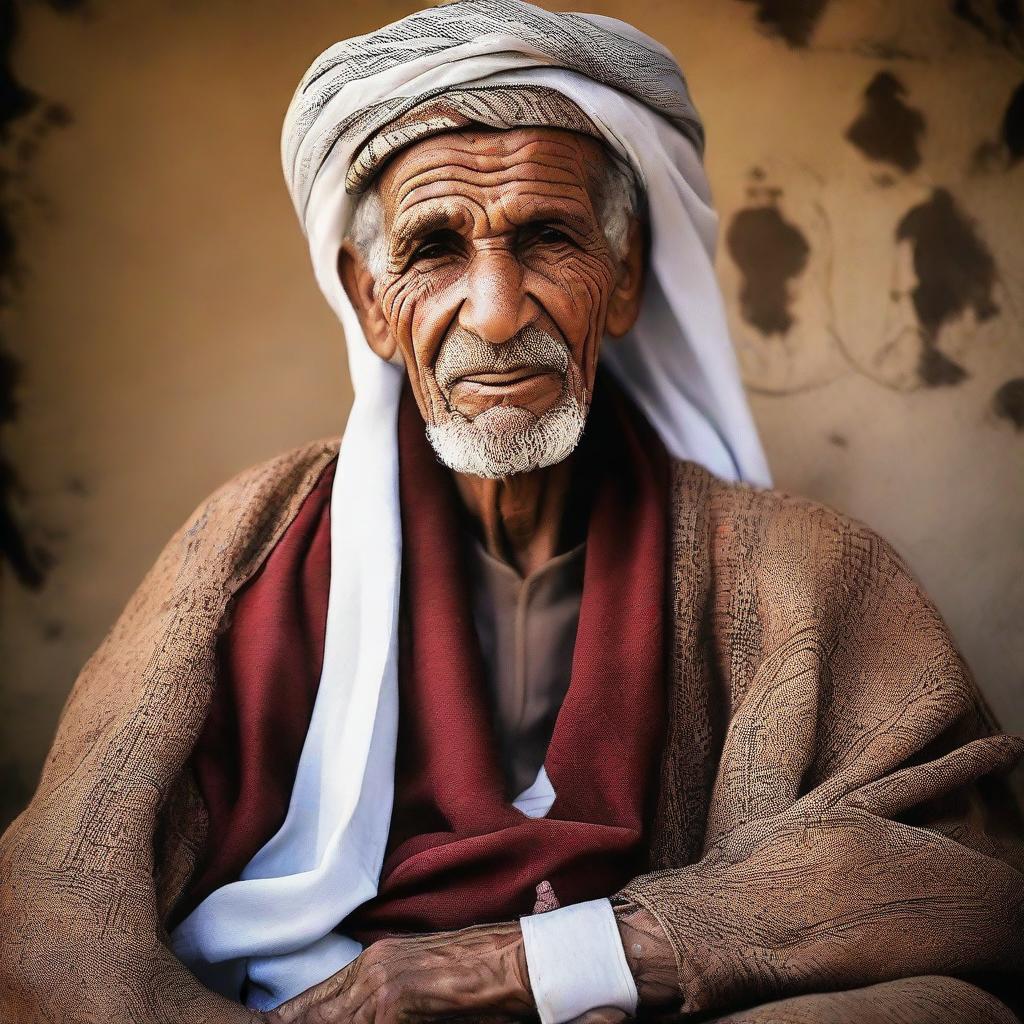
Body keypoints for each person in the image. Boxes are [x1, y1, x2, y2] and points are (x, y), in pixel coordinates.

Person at [1, 3, 1022, 1023]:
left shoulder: (799, 567)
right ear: (369, 299)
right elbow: (52, 907)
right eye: (436, 249)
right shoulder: (249, 544)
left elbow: (970, 878)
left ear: (621, 282)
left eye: (546, 238)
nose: (494, 312)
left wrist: (551, 958)